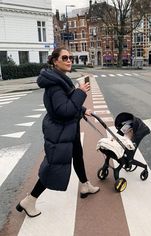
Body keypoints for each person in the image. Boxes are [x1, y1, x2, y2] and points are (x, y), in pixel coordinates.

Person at [16, 47, 99, 218]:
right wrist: (81, 93)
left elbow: (67, 102)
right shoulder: (54, 85)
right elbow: (64, 110)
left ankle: (85, 184)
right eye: (65, 57)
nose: (69, 60)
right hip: (61, 131)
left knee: (78, 155)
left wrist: (82, 110)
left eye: (70, 58)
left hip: (69, 128)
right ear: (55, 61)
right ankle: (29, 200)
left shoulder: (60, 79)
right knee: (54, 166)